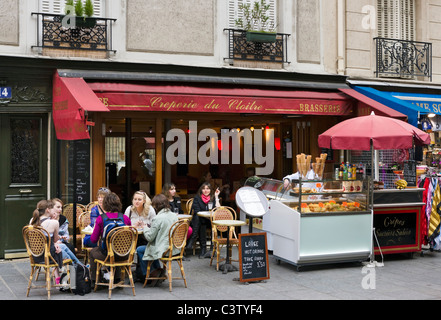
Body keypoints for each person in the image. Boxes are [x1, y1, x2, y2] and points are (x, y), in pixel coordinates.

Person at [135, 194, 178, 286]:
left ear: (156, 206)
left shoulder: (158, 218)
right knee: (150, 247)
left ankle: (151, 273)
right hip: (174, 248)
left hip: (162, 249)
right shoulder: (174, 216)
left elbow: (150, 237)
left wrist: (145, 227)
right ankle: (158, 270)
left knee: (140, 249)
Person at [88, 192, 132, 284]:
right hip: (125, 255)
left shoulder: (101, 218)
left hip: (107, 255)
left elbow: (93, 240)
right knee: (117, 249)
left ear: (105, 204)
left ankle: (95, 280)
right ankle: (117, 278)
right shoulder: (125, 218)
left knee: (92, 252)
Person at [29, 200, 63, 283]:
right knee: (64, 250)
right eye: (52, 209)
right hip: (49, 257)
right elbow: (56, 240)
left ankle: (58, 277)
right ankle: (70, 281)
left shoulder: (32, 220)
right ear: (48, 210)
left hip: (35, 256)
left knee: (61, 248)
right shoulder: (54, 222)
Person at [186, 182, 220, 258]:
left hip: (209, 220)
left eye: (207, 188)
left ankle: (207, 247)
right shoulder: (197, 198)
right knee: (201, 222)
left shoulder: (213, 198)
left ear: (210, 190)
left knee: (211, 223)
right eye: (204, 188)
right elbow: (197, 211)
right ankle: (203, 248)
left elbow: (218, 209)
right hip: (199, 220)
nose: (205, 190)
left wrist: (216, 196)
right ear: (201, 190)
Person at [50, 198, 82, 266]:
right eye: (58, 207)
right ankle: (75, 266)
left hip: (62, 242)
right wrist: (55, 241)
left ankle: (72, 268)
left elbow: (66, 235)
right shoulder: (48, 219)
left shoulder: (63, 219)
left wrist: (63, 239)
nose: (60, 209)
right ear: (51, 208)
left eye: (61, 207)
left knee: (71, 247)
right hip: (51, 243)